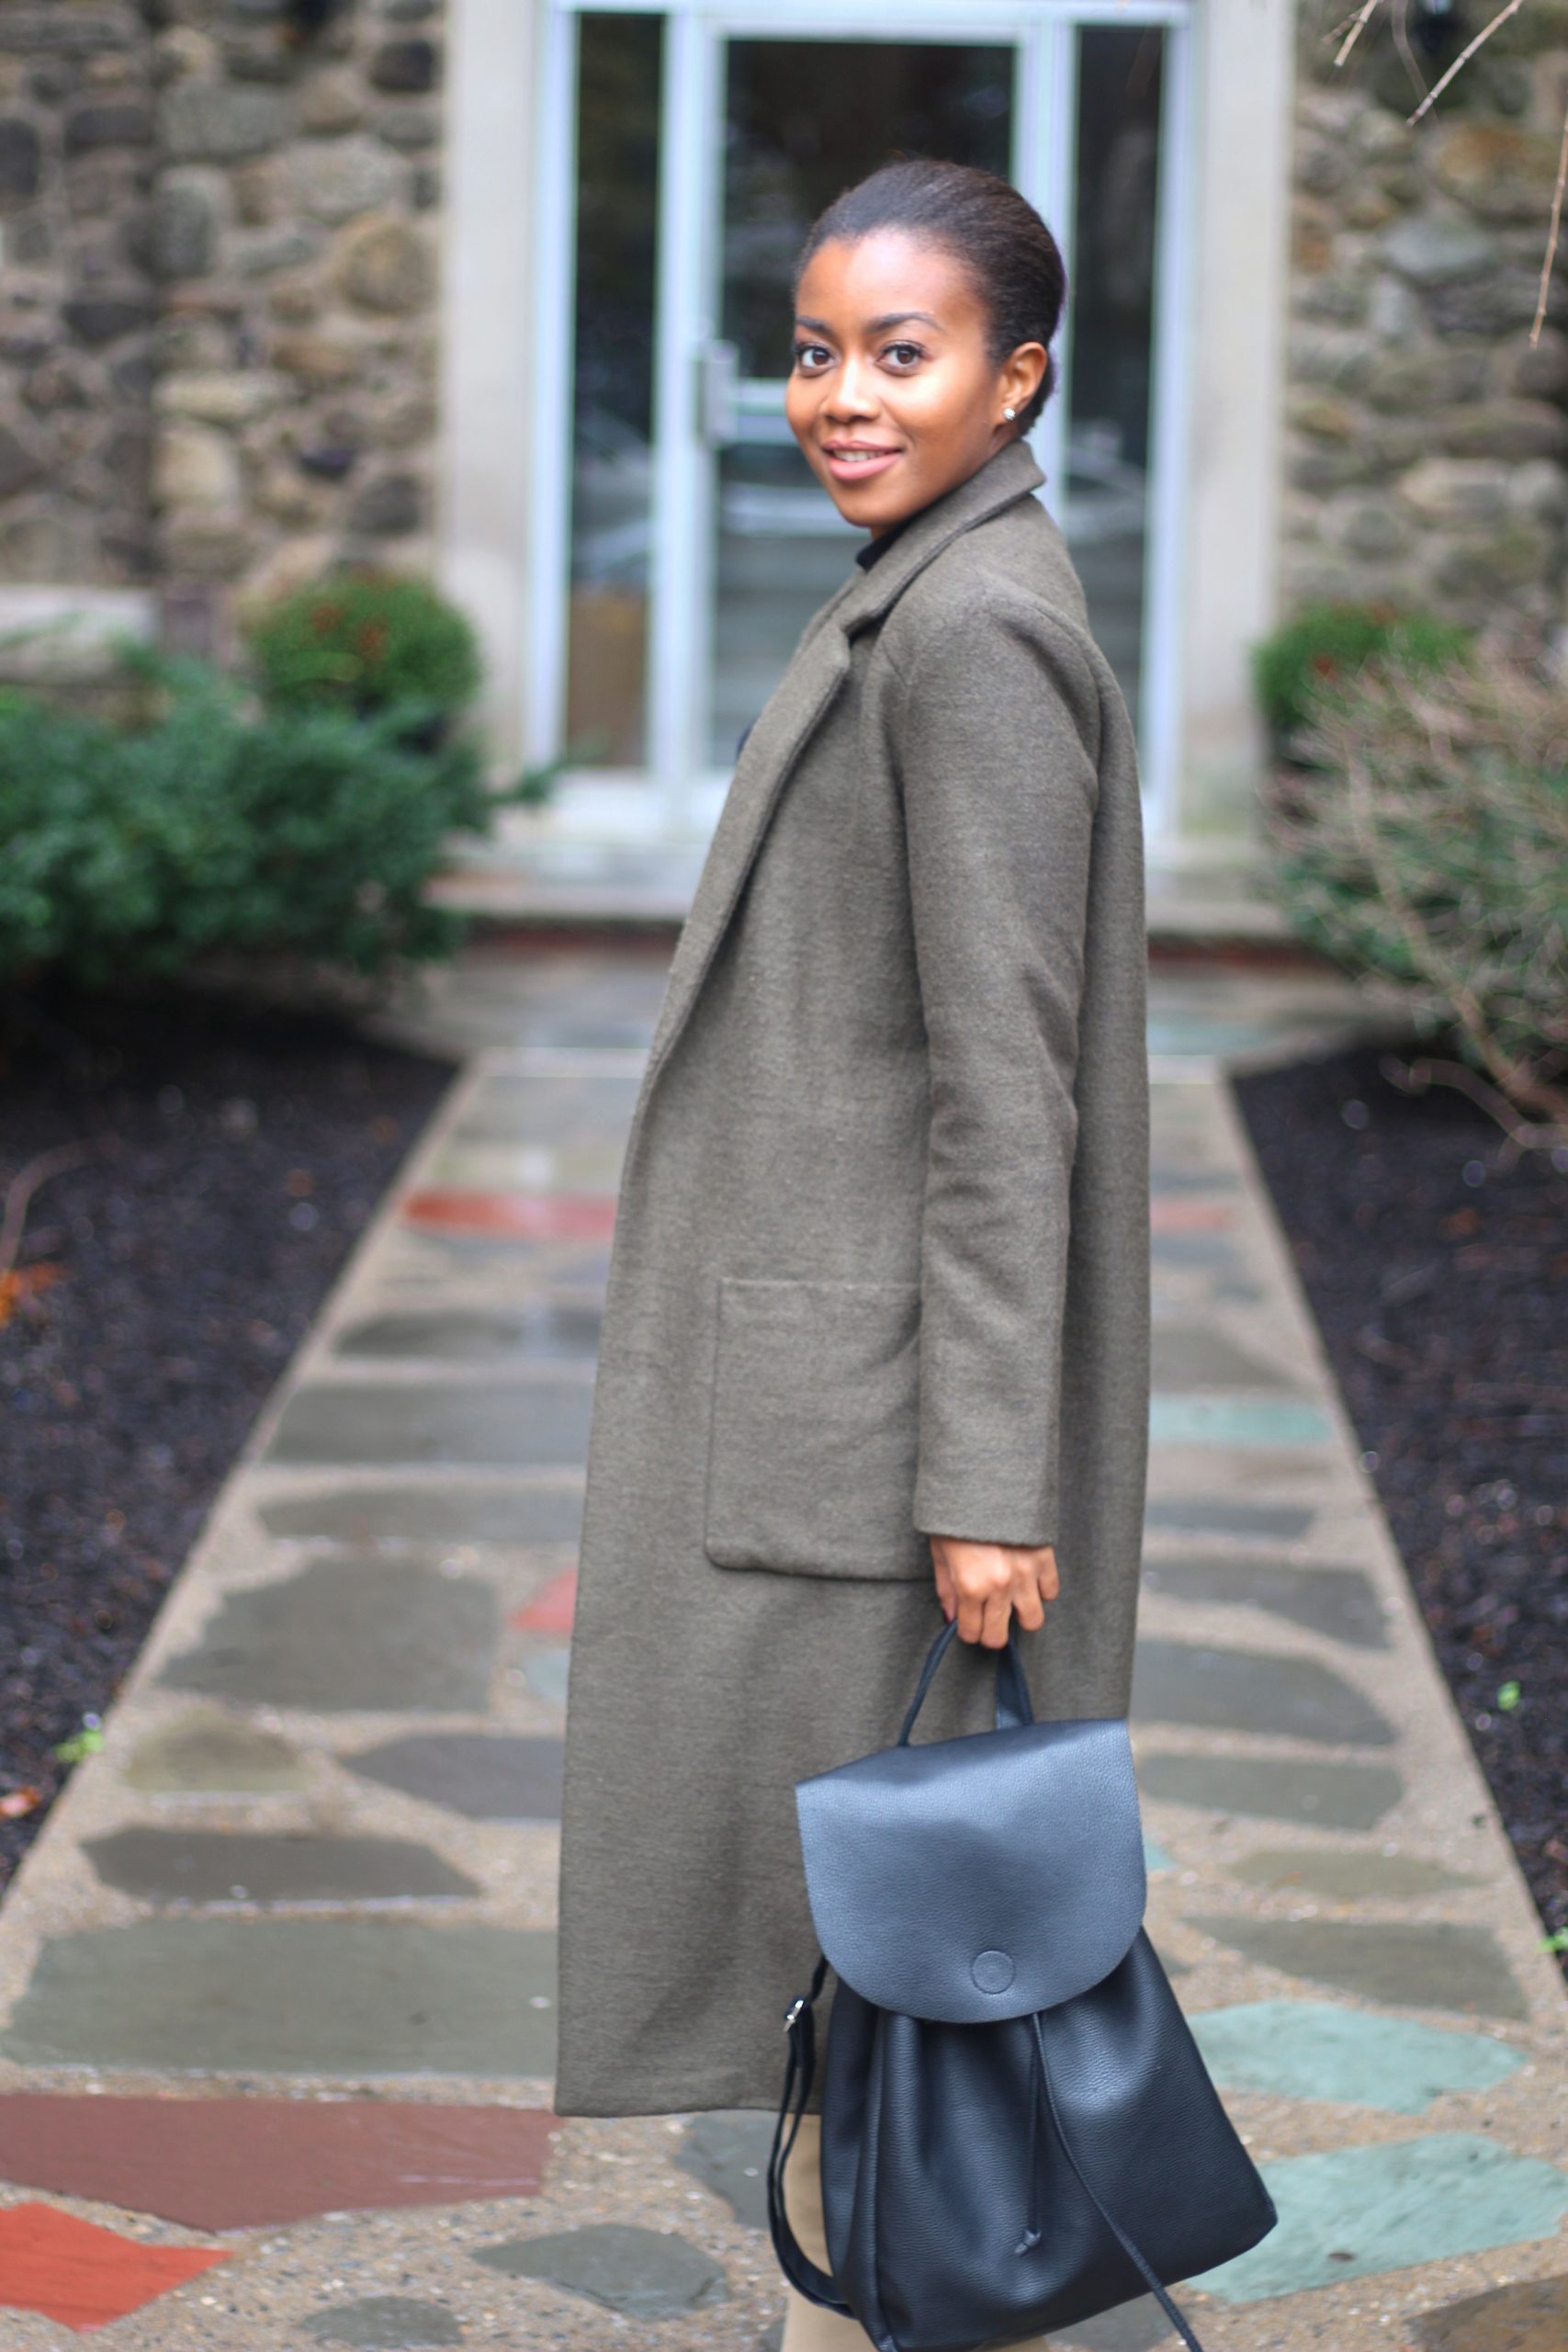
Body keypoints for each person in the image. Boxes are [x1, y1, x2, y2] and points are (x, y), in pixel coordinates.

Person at [556, 158, 1151, 2351]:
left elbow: (1014, 1090)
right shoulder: (915, 583)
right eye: (813, 348)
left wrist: (985, 1469)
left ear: (1017, 375)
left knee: (867, 1958)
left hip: (880, 1410)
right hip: (842, 1371)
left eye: (898, 353)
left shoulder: (972, 630)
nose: (839, 392)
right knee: (851, 1980)